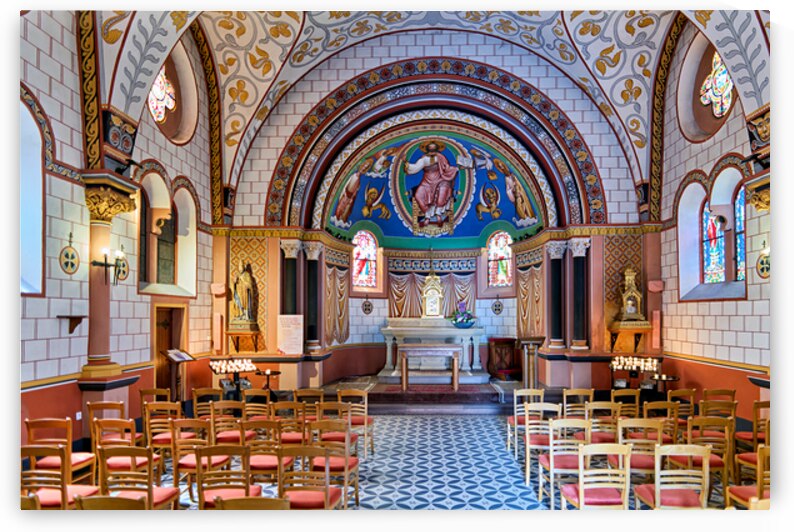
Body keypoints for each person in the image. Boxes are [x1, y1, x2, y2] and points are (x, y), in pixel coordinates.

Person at [403, 140, 460, 226]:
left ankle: (438, 214)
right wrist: (406, 163)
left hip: (440, 179)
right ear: (427, 149)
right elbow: (415, 168)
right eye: (430, 148)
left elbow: (447, 168)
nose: (432, 150)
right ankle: (428, 215)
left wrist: (456, 169)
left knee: (442, 192)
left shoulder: (441, 157)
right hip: (426, 182)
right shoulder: (424, 159)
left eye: (434, 148)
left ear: (437, 149)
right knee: (418, 195)